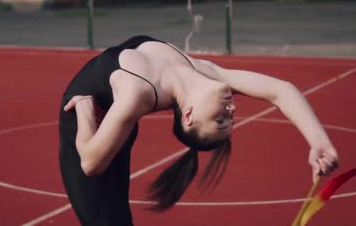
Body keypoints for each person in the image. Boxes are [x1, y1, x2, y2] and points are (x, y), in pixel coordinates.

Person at [58, 35, 339, 226]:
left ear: (189, 115)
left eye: (220, 121)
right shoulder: (208, 72)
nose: (231, 113)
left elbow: (91, 163)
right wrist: (319, 142)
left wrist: (84, 107)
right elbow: (281, 91)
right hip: (98, 124)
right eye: (230, 120)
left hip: (88, 121)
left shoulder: (138, 94)